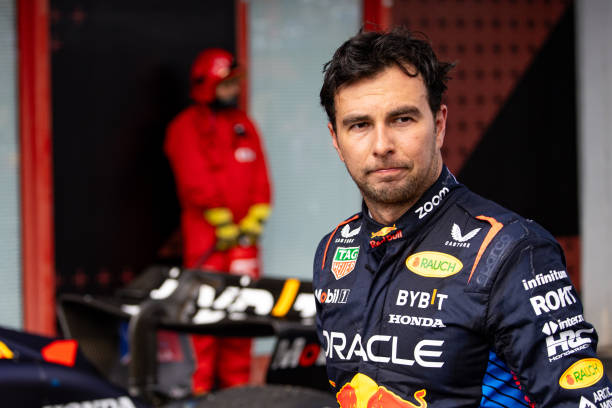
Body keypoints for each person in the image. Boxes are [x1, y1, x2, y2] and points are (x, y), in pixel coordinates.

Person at [313, 29, 612, 407]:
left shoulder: (512, 252)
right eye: (359, 125)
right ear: (336, 140)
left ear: (438, 125)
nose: (382, 145)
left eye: (402, 119)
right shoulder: (333, 252)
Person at [164, 48, 272, 393]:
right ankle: (199, 396)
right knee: (204, 320)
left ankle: (237, 395)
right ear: (207, 85)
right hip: (207, 242)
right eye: (226, 84)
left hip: (244, 245)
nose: (233, 90)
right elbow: (193, 180)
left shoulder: (244, 124)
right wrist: (222, 222)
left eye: (235, 83)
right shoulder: (184, 127)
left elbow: (261, 177)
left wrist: (255, 219)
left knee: (243, 317)